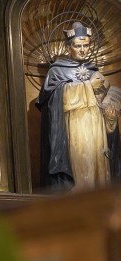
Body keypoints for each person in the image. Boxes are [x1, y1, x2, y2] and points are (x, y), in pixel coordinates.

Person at [36, 22, 121, 191]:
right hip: (73, 131)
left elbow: (101, 104)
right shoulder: (57, 72)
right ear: (69, 48)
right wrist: (87, 87)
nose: (82, 50)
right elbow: (52, 103)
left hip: (97, 133)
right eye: (78, 46)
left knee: (98, 171)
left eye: (86, 45)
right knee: (81, 168)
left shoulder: (95, 72)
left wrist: (110, 122)